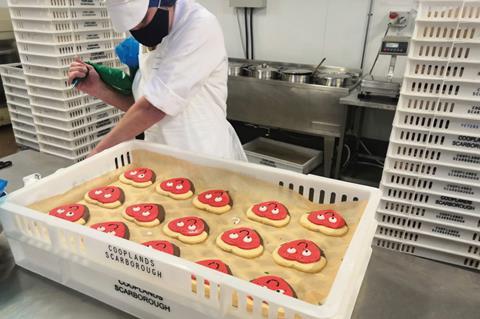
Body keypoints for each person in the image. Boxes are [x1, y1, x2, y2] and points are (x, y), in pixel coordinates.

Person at [68, 0, 247, 161]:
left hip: (203, 158)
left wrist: (95, 157)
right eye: (133, 28)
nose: (140, 32)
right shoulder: (148, 39)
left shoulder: (199, 26)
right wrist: (99, 88)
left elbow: (153, 108)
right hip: (160, 159)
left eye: (144, 20)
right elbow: (141, 105)